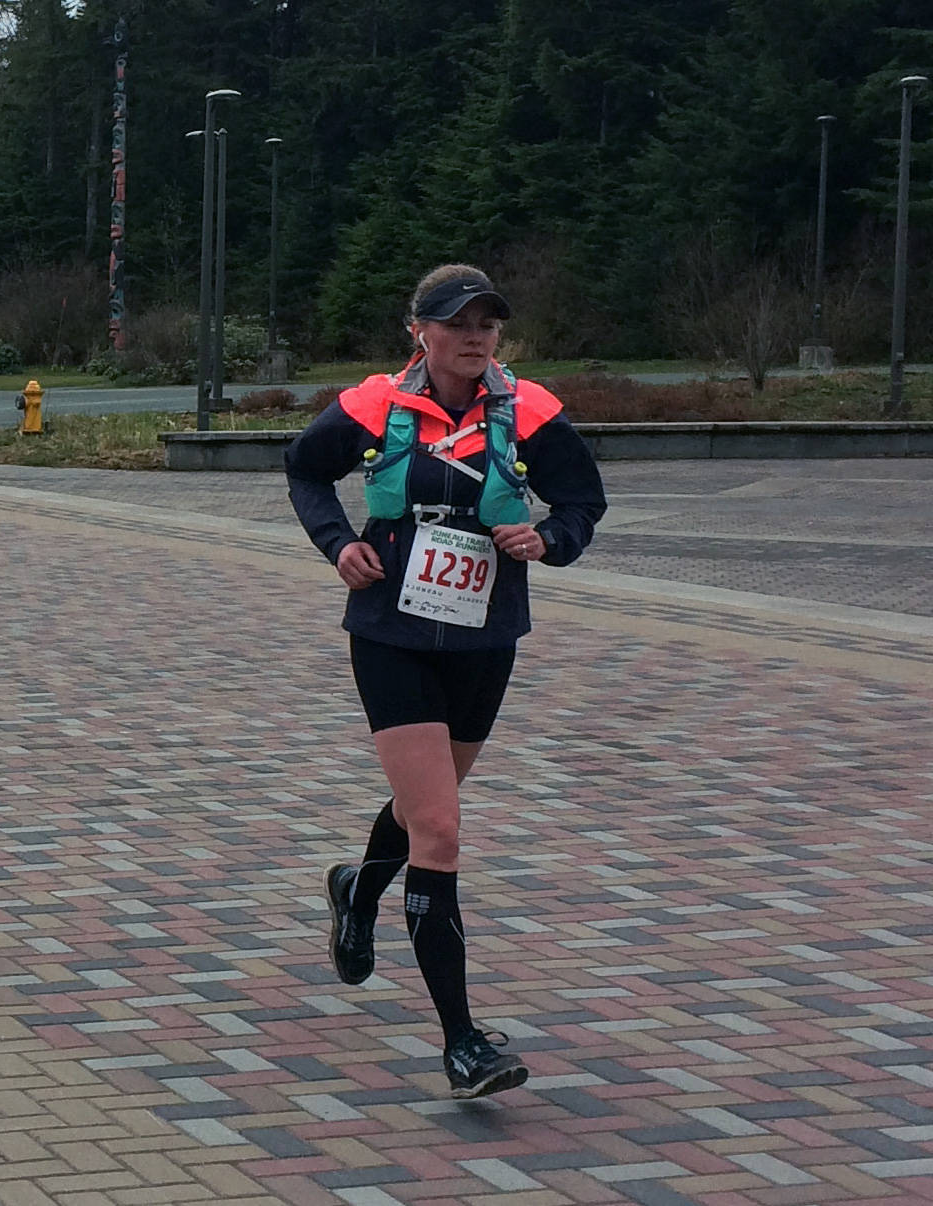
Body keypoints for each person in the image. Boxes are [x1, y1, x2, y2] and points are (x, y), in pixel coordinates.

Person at [285, 263, 606, 1098]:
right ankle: (463, 1042)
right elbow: (303, 467)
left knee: (426, 808)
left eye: (488, 323)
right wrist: (337, 544)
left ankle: (358, 886)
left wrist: (549, 540)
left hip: (483, 636)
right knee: (440, 828)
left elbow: (581, 501)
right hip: (390, 631)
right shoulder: (372, 406)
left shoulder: (528, 411)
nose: (474, 336)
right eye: (458, 322)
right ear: (418, 330)